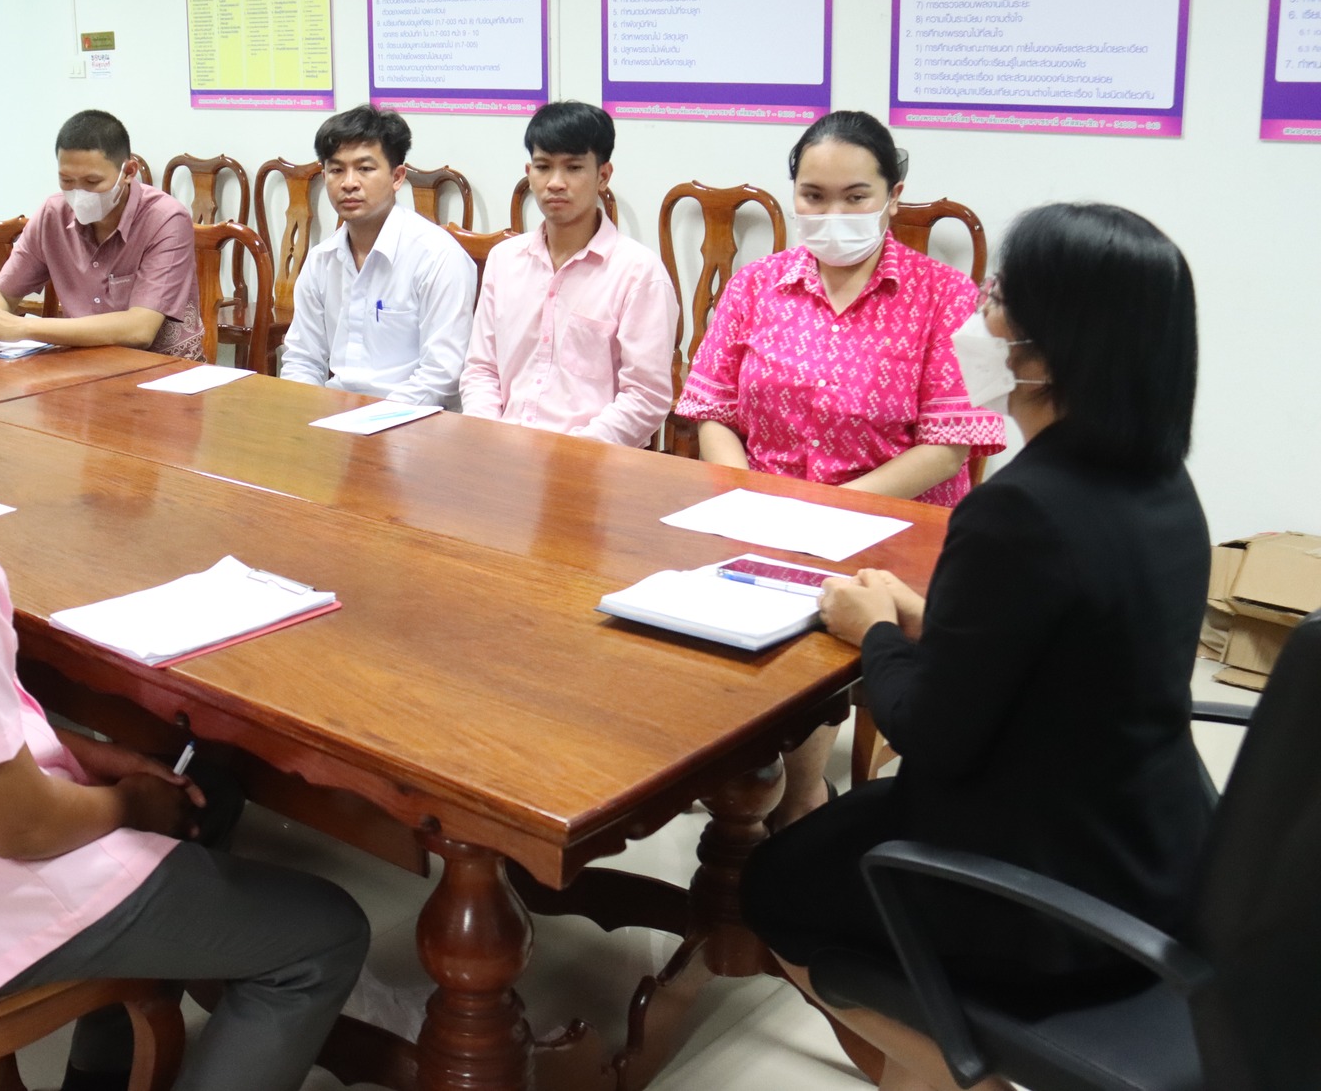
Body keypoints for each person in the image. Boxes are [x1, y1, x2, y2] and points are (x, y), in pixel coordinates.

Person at [0, 216, 367, 1091]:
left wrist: (91, 755)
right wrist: (125, 802)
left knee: (200, 790)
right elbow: (21, 826)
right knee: (323, 932)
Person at [742, 203, 1213, 1087]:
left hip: (1044, 894)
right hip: (1159, 856)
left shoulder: (1018, 510)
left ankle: (962, 1075)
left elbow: (932, 730)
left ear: (1049, 346)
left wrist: (876, 630)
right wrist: (930, 620)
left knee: (773, 885)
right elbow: (1064, 646)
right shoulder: (1162, 483)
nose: (978, 317)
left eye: (997, 299)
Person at [674, 109, 1004, 828]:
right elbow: (712, 410)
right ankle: (741, 777)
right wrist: (748, 495)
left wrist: (826, 512)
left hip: (891, 530)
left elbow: (950, 442)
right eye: (814, 196)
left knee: (809, 631)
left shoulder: (944, 296)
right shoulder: (757, 285)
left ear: (893, 194)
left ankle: (798, 801)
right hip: (759, 512)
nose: (832, 215)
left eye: (855, 197)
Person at [460, 101, 675, 446]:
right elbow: (481, 370)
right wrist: (489, 439)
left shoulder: (638, 273)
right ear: (529, 172)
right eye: (543, 167)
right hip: (503, 450)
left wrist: (572, 455)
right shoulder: (504, 260)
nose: (556, 183)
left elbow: (646, 398)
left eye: (574, 168)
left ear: (603, 175)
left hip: (593, 460)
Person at [279, 105, 477, 405]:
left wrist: (372, 420)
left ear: (397, 177)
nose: (349, 183)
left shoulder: (437, 257)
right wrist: (304, 412)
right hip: (336, 415)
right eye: (336, 170)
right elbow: (302, 359)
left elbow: (442, 376)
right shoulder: (321, 260)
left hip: (415, 417)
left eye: (365, 169)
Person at [0, 110, 204, 361]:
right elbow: (3, 294)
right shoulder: (53, 214)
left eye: (92, 181)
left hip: (162, 368)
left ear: (128, 172)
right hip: (84, 363)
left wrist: (24, 327)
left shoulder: (166, 218)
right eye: (66, 180)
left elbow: (140, 329)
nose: (79, 193)